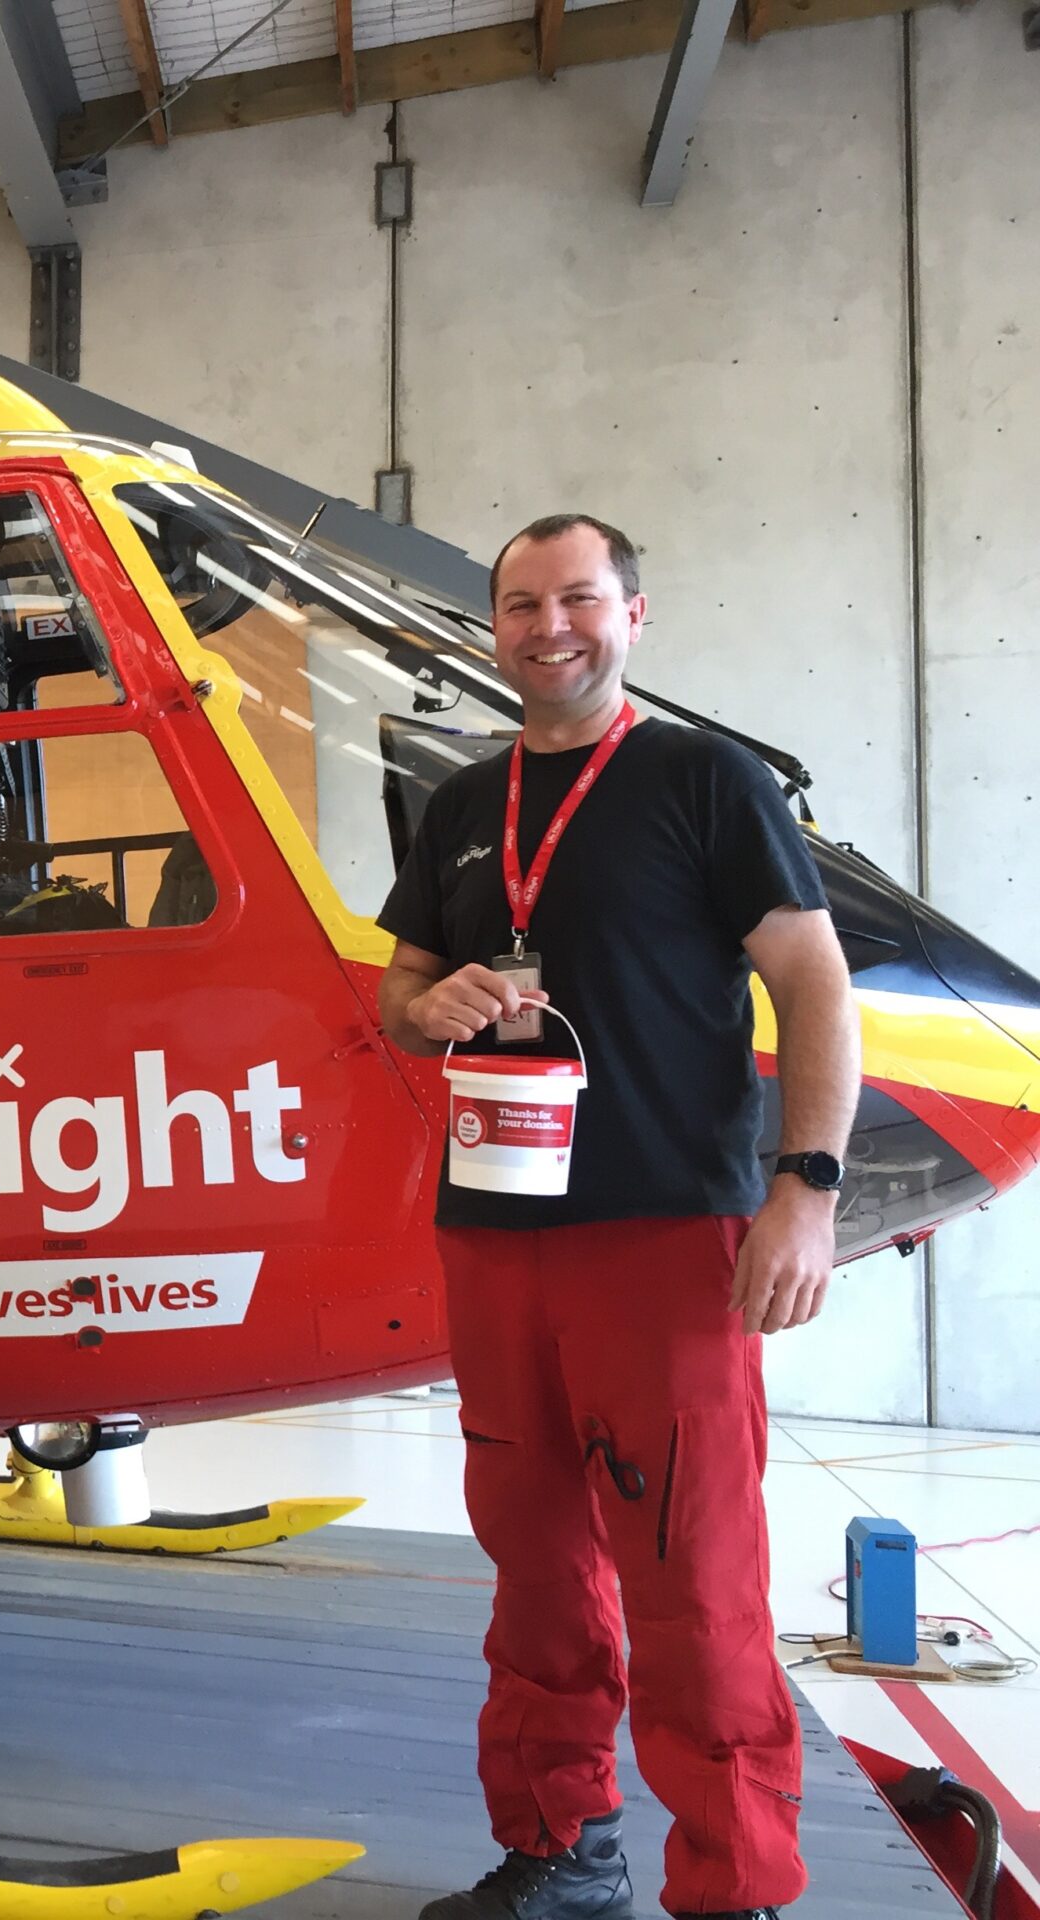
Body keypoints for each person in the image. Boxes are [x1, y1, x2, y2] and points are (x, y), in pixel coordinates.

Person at [376, 515, 858, 1920]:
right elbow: (397, 1000)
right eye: (520, 604)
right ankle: (560, 1849)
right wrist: (436, 1005)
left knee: (691, 1580)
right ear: (496, 628)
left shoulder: (708, 782)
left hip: (664, 1242)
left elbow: (816, 989)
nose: (548, 626)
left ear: (633, 613)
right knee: (533, 1566)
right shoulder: (465, 805)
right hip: (496, 1234)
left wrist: (805, 1191)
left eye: (578, 598)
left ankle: (734, 1889)